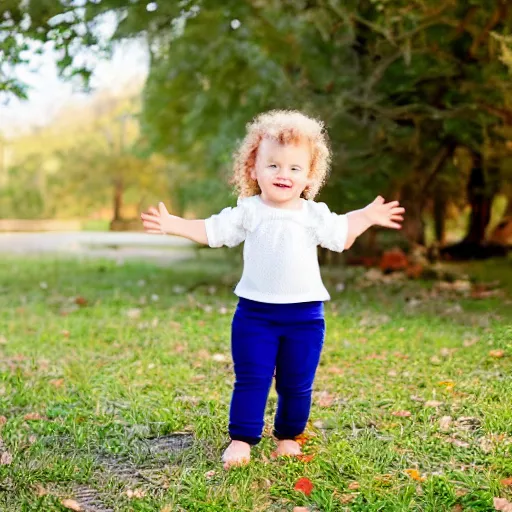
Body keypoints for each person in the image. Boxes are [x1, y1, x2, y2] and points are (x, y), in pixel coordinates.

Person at [140, 110, 405, 470]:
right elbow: (212, 231)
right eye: (273, 166)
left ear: (310, 176)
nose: (283, 174)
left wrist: (366, 216)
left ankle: (287, 436)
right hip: (255, 315)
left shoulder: (313, 215)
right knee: (252, 379)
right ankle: (242, 439)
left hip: (305, 317)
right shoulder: (249, 211)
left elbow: (342, 233)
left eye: (295, 168)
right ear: (253, 169)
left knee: (297, 384)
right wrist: (173, 224)